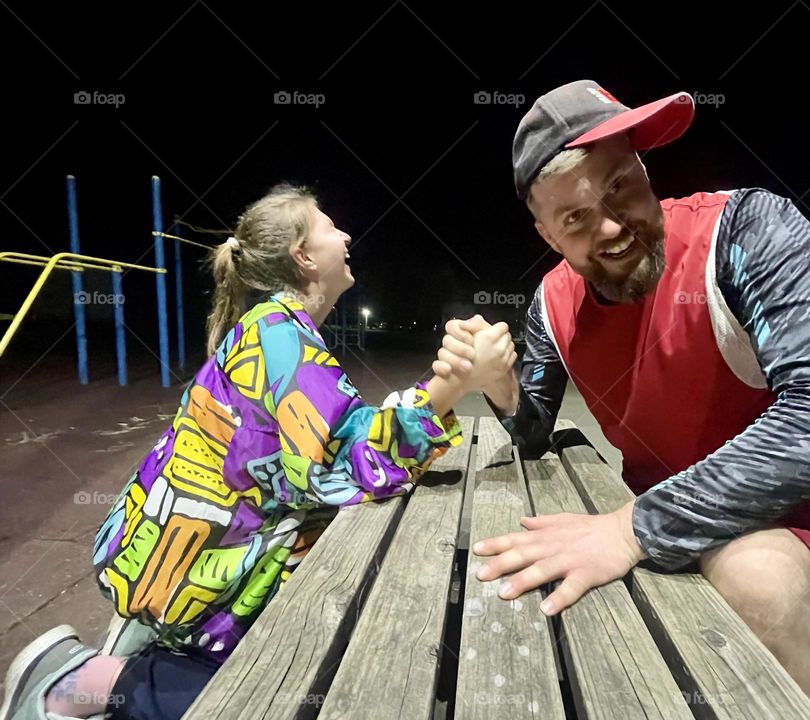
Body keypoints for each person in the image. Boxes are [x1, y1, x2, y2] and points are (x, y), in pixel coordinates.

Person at [434, 80, 810, 720]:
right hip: (650, 492)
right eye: (575, 218)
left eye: (619, 187)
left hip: (771, 503)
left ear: (643, 168)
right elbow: (532, 434)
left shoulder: (745, 230)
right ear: (547, 235)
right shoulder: (551, 302)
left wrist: (636, 527)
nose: (610, 227)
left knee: (756, 587)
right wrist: (497, 384)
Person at [1, 184, 516, 720]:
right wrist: (452, 383)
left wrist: (461, 382)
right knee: (276, 700)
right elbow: (343, 462)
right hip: (203, 576)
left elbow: (333, 438)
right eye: (330, 227)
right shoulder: (280, 336)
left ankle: (127, 669)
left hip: (202, 558)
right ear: (304, 257)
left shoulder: (276, 328)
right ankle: (89, 678)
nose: (345, 235)